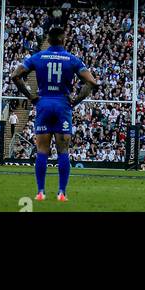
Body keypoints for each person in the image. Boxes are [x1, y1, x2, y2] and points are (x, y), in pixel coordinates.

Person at [11, 24, 100, 202]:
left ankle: (41, 192)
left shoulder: (38, 56)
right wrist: (75, 101)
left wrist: (31, 96)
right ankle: (61, 192)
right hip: (62, 105)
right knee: (63, 151)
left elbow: (15, 75)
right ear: (64, 39)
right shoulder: (72, 59)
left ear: (49, 40)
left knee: (42, 150)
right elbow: (92, 82)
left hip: (43, 103)